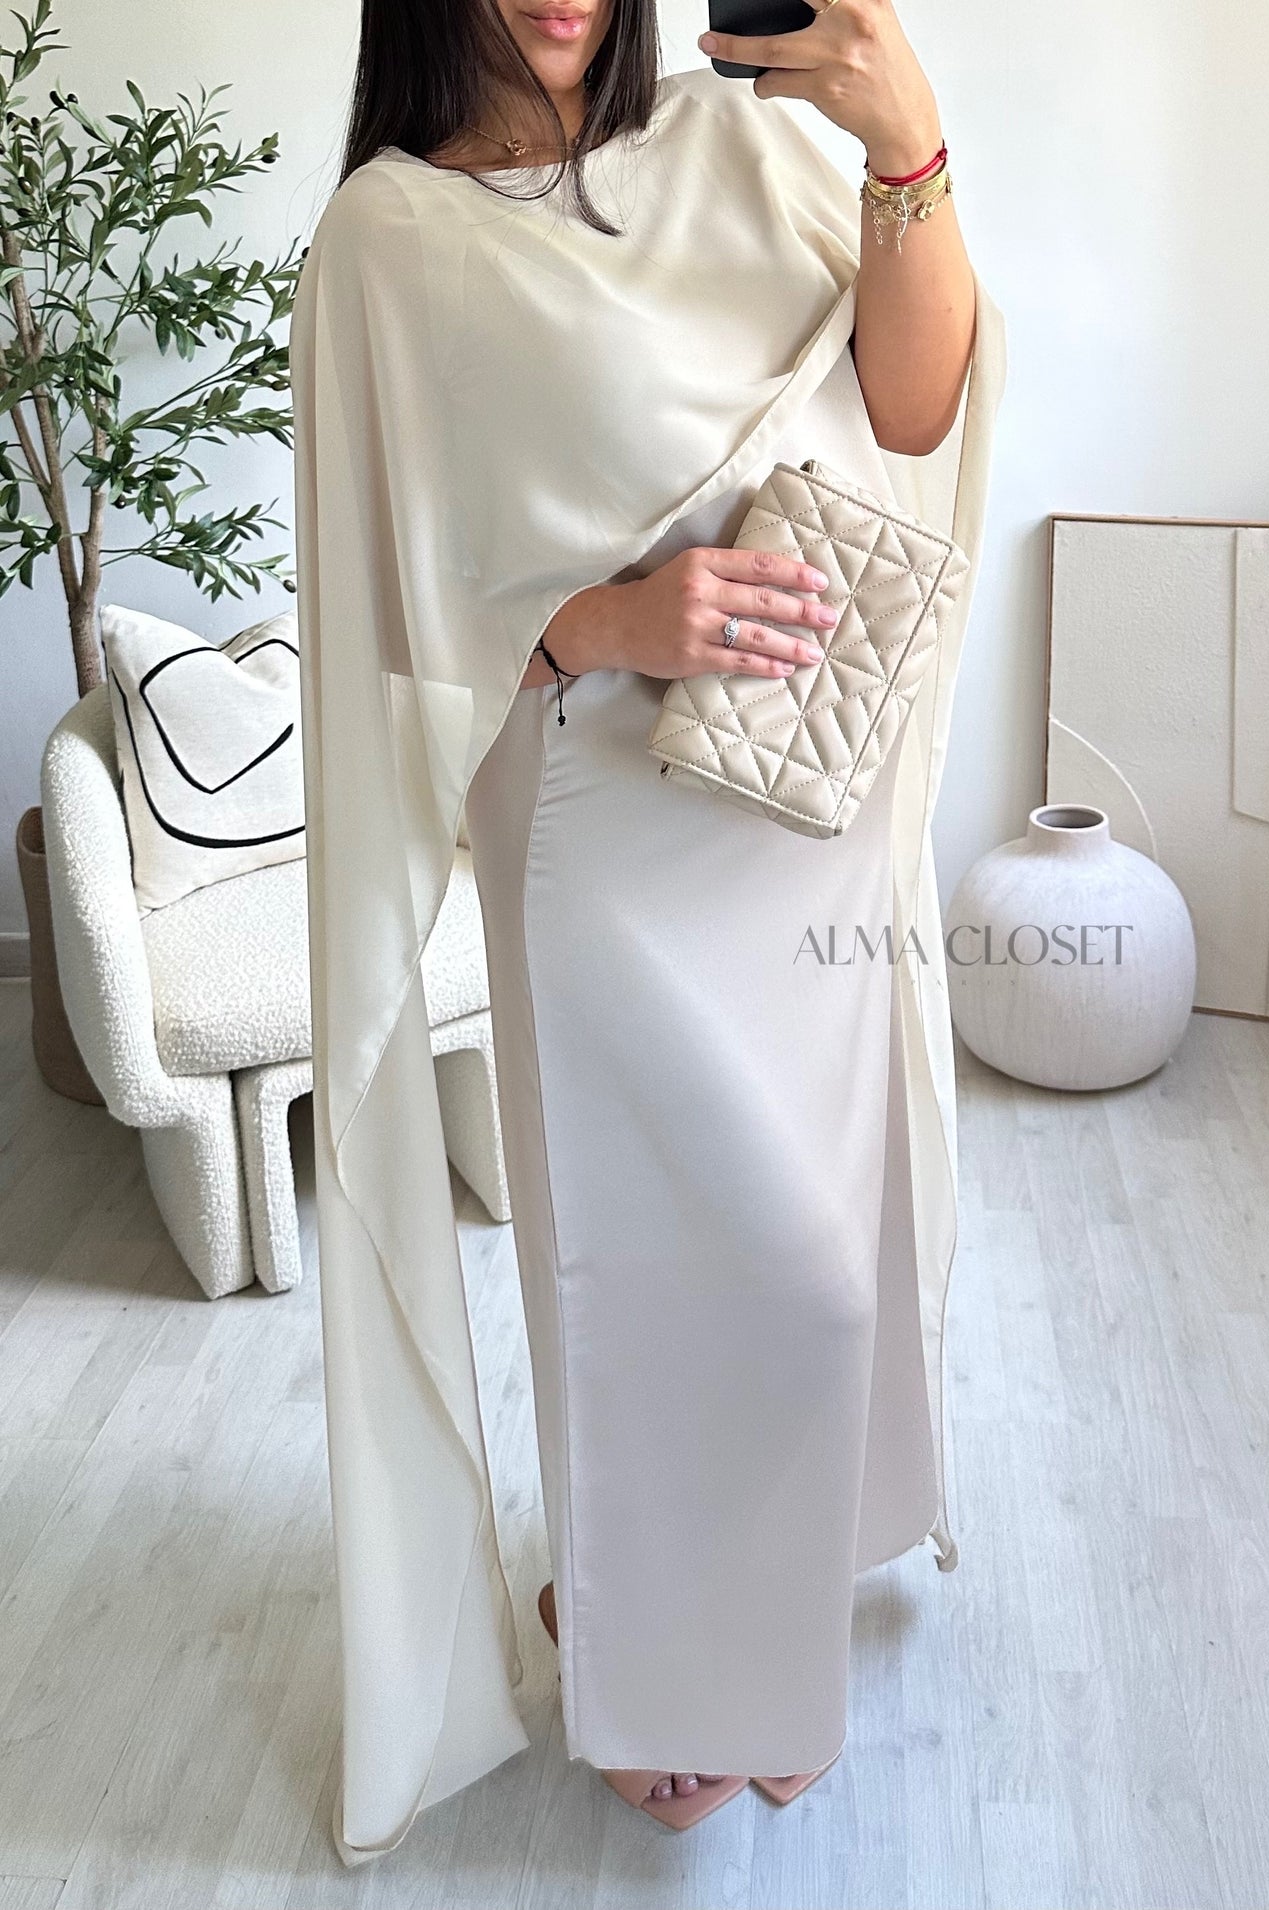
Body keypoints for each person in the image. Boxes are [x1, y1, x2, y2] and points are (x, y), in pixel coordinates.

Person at [292, 0, 1003, 1865]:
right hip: (597, 826)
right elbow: (384, 617)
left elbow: (912, 409)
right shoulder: (386, 238)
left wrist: (903, 141)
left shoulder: (740, 144)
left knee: (823, 1263)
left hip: (803, 800)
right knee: (663, 1267)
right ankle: (652, 1647)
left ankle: (719, 1619)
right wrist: (609, 619)